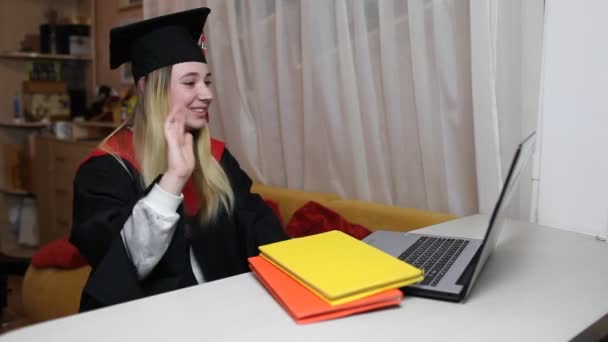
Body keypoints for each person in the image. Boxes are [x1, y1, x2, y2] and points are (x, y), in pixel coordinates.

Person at [70, 7, 288, 311]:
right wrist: (172, 180)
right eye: (190, 83)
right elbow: (121, 267)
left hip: (227, 313)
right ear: (148, 88)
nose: (207, 94)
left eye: (207, 81)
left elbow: (260, 229)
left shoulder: (216, 159)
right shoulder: (105, 171)